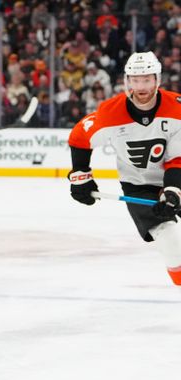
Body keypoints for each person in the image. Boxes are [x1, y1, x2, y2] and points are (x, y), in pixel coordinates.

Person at [68, 51, 181, 286]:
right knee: (171, 243)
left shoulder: (177, 109)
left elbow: (176, 159)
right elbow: (80, 136)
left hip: (176, 177)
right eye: (136, 80)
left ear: (157, 80)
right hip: (138, 185)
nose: (141, 86)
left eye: (147, 79)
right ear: (127, 81)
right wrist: (81, 176)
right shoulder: (110, 112)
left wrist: (173, 190)